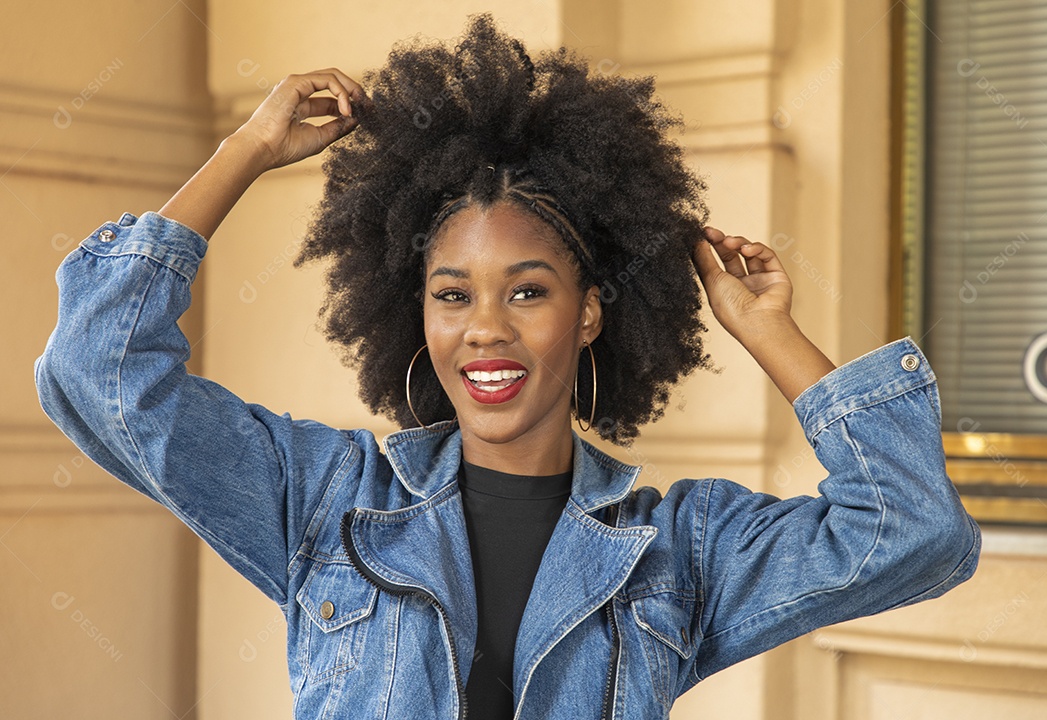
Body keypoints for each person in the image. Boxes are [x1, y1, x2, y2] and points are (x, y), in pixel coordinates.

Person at [35, 14, 980, 720]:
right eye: (453, 295)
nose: (483, 329)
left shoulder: (676, 556)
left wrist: (765, 328)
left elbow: (915, 530)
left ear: (591, 313)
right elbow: (97, 367)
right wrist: (244, 152)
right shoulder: (325, 502)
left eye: (527, 292)